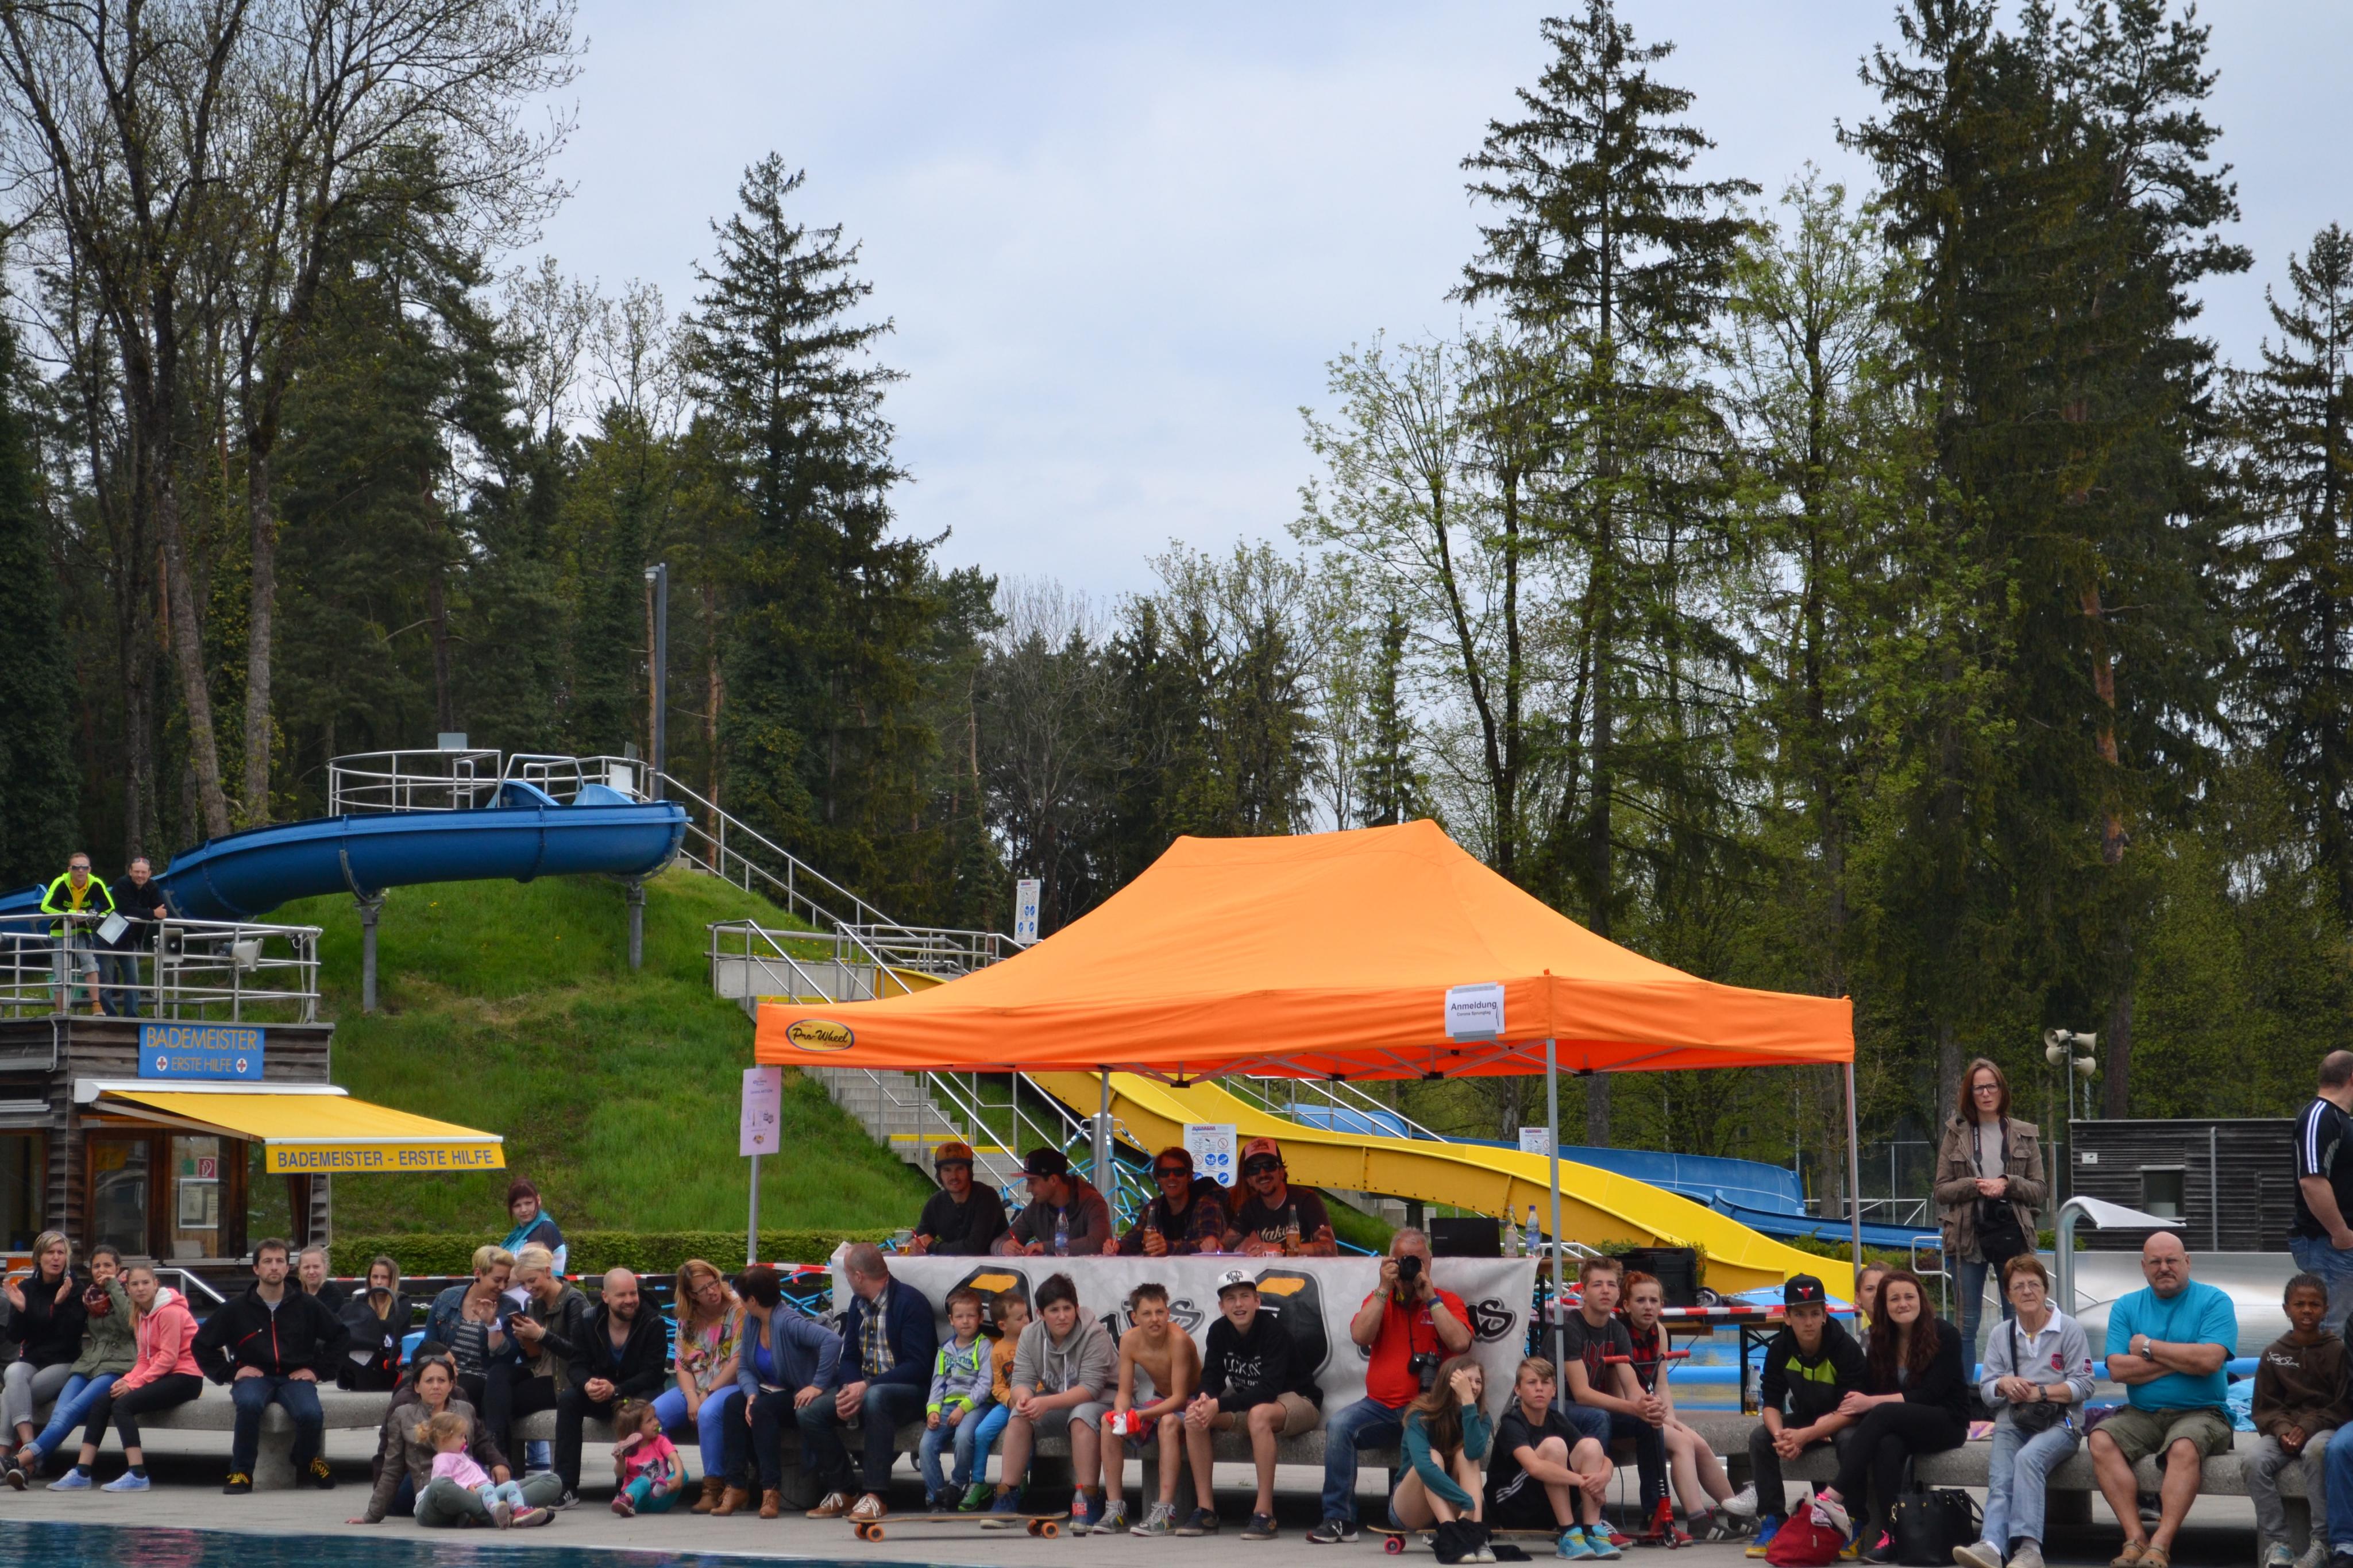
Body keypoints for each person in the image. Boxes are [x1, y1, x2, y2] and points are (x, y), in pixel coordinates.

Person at [1311, 1226, 1476, 1543]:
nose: (1410, 1268)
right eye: (1403, 1261)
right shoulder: (1381, 1299)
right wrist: (1384, 1288)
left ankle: (1429, 1518)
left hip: (1430, 1410)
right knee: (1340, 1426)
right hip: (1382, 1409)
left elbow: (1460, 1342)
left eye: (1417, 1261)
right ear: (1390, 1263)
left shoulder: (1447, 1300)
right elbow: (1360, 1336)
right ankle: (1338, 1519)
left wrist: (1430, 1298)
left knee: (1433, 1436)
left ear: (1429, 1263)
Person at [2088, 1233, 2236, 1568]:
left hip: (2204, 1413)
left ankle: (2161, 1544)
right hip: (2142, 1413)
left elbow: (2210, 1361)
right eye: (2155, 1262)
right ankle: (2135, 1538)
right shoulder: (2126, 1306)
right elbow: (2117, 1370)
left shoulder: (2215, 1301)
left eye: (2172, 1260)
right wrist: (2184, 1359)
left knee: (2183, 1446)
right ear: (2144, 1267)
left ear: (2188, 1262)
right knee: (2100, 1439)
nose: (2164, 1268)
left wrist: (2148, 1347)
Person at [1806, 1268, 1968, 1564]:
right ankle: (1893, 1537)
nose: (1903, 1304)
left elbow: (1929, 1394)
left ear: (1921, 1299)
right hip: (1902, 1424)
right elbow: (1868, 1391)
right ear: (1884, 1306)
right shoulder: (1881, 1341)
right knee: (1886, 1445)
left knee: (1881, 1412)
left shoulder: (1945, 1334)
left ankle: (1833, 1495)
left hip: (1946, 1421)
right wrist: (1830, 1419)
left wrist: (1871, 1403)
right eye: (1894, 1299)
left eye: (1909, 1297)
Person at [1951, 1255, 2096, 1568]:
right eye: (2018, 1287)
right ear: (2008, 1295)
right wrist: (2003, 1384)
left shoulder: (2069, 1329)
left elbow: (2085, 1385)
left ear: (2045, 1289)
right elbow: (1987, 1392)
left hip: (2062, 1421)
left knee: (2028, 1459)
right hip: (2014, 1418)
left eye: (2034, 1284)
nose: (2027, 1291)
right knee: (2001, 1473)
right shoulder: (2001, 1333)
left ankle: (2030, 1549)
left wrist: (2041, 1392)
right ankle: (1992, 1545)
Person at [193, 1235, 352, 1493]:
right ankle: (241, 1472)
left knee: (311, 1414)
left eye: (280, 1261)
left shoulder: (307, 1305)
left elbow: (341, 1336)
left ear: (288, 1268)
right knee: (249, 1405)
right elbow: (201, 1344)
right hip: (255, 1377)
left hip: (295, 1376)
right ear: (256, 1268)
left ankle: (307, 1458)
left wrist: (317, 1371)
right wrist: (230, 1372)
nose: (274, 1267)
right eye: (268, 1261)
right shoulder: (236, 1308)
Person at [1721, 1273, 1866, 1555]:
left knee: (1851, 1441)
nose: (1808, 1322)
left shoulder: (1845, 1348)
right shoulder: (1780, 1348)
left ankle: (1856, 1521)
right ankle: (1773, 1520)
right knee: (1760, 1438)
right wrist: (1781, 1437)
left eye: (1815, 1314)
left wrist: (1806, 1436)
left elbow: (1853, 1410)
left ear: (1825, 1315)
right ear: (1787, 1317)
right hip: (1807, 1417)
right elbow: (1771, 1403)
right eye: (1800, 1315)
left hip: (1843, 1419)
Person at [1179, 1266, 1324, 1540]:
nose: (1239, 1304)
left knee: (1258, 1414)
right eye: (1231, 1299)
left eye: (1245, 1296)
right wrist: (1205, 1398)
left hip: (1299, 1400)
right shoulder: (1218, 1331)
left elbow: (1268, 1390)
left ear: (1257, 1302)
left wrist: (1220, 1406)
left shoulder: (1273, 1331)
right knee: (1195, 1415)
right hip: (1254, 1404)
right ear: (1221, 1307)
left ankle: (1264, 1514)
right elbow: (1211, 1376)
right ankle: (1206, 1511)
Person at [802, 1241, 936, 1524]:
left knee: (877, 1397)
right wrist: (849, 1389)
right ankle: (843, 1490)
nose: (847, 1279)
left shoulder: (911, 1303)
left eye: (847, 1274)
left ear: (859, 1276)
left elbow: (919, 1366)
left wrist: (867, 1386)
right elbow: (850, 1356)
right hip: (866, 1388)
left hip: (909, 1393)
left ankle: (876, 1495)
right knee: (809, 1412)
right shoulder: (857, 1303)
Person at [350, 1352, 558, 1528]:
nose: (436, 1386)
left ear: (451, 1385)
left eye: (442, 1381)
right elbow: (392, 1468)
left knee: (552, 1481)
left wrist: (498, 1462)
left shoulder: (465, 1409)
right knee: (441, 1485)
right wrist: (372, 1515)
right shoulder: (403, 1415)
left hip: (476, 1490)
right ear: (417, 1387)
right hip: (435, 1498)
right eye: (429, 1381)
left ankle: (485, 1514)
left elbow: (482, 1441)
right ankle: (507, 1513)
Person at [1933, 1059, 2047, 1366]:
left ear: (2001, 1090)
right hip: (1967, 1237)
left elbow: (2040, 1190)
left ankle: (2020, 1385)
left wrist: (2007, 1184)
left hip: (2013, 1234)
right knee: (1966, 1325)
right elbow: (1941, 1191)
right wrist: (1976, 1186)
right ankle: (1964, 1392)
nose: (1986, 1093)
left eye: (1991, 1086)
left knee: (2019, 1318)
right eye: (1978, 1088)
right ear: (1969, 1093)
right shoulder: (1956, 1134)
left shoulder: (2024, 1134)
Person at [51, 1262, 202, 1493]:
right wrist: (127, 1380)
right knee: (102, 1401)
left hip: (185, 1377)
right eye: (135, 1284)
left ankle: (137, 1474)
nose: (141, 1288)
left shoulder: (170, 1311)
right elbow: (143, 1359)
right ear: (128, 1289)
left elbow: (169, 1359)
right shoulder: (140, 1314)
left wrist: (134, 1384)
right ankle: (81, 1472)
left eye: (145, 1283)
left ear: (156, 1284)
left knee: (123, 1405)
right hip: (162, 1374)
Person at [989, 1270, 1115, 1526]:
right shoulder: (1030, 1335)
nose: (1062, 1316)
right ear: (1040, 1314)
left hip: (1106, 1399)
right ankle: (1007, 1495)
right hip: (1059, 1399)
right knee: (1019, 1415)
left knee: (1081, 1416)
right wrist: (1024, 1398)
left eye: (1068, 1308)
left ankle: (1088, 1498)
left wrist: (1045, 1403)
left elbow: (1091, 1388)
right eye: (1054, 1310)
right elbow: (1021, 1380)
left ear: (1076, 1309)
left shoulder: (1095, 1334)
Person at [1621, 1269, 1737, 1540]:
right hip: (1627, 1413)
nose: (1648, 1307)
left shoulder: (1659, 1331)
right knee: (1683, 1443)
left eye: (1654, 1301)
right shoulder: (1620, 1333)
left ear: (1662, 1305)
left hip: (1652, 1411)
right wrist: (1663, 1421)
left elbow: (1662, 1383)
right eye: (1640, 1301)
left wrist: (1671, 1419)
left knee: (1699, 1443)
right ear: (1626, 1305)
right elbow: (1625, 1393)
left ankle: (1737, 1513)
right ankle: (1697, 1519)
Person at [723, 1263, 842, 1520]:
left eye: (741, 1297)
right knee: (733, 1405)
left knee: (762, 1410)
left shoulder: (788, 1321)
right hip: (768, 1391)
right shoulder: (753, 1322)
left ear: (752, 1300)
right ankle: (736, 1485)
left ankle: (771, 1489)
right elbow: (745, 1367)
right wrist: (751, 1393)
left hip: (796, 1393)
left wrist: (817, 1385)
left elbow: (832, 1341)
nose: (739, 1302)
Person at [1559, 1256, 1667, 1533]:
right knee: (1599, 1417)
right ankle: (1598, 1517)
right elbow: (1581, 1394)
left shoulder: (1617, 1330)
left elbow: (1632, 1388)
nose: (1605, 1290)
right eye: (1597, 1285)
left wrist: (1648, 1406)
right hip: (1555, 1408)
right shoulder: (1570, 1328)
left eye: (1611, 1285)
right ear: (1583, 1292)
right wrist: (1633, 1408)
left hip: (1588, 1409)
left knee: (1648, 1421)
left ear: (1619, 1293)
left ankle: (1655, 1513)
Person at [2244, 1275, 2344, 1568]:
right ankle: (2278, 1542)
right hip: (2283, 1431)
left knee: (2317, 1452)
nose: (2307, 1310)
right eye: (2299, 1304)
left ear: (2326, 1310)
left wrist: (2309, 1427)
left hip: (2324, 1428)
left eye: (2315, 1304)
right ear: (2286, 1309)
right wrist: (2283, 1430)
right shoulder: (2274, 1353)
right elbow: (2264, 1407)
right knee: (2254, 1460)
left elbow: (2343, 1405)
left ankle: (2322, 1542)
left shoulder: (2338, 1352)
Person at [9, 1243, 132, 1484]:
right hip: (88, 1365)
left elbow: (131, 1323)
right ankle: (31, 1467)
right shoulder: (90, 1296)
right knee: (58, 1413)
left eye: (108, 1265)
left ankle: (19, 1461)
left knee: (71, 1411)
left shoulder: (129, 1292)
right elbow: (58, 1329)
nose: (102, 1270)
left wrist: (114, 1287)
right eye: (97, 1266)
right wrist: (40, 1308)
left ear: (118, 1269)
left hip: (116, 1365)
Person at [1483, 1355, 1621, 1561]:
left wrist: (1602, 1478)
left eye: (1545, 1383)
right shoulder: (1512, 1423)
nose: (1539, 1388)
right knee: (1554, 1446)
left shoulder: (1556, 1419)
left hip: (1545, 1506)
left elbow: (1603, 1458)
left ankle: (1592, 1530)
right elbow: (1534, 1468)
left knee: (1591, 1446)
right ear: (1518, 1390)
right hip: (1512, 1506)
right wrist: (1585, 1482)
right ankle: (1568, 1533)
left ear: (1554, 1390)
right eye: (1532, 1383)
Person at [1094, 1280, 1200, 1535]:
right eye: (1147, 1314)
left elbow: (1179, 1398)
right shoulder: (1129, 1340)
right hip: (1160, 1400)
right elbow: (1123, 1392)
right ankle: (1115, 1509)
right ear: (1135, 1318)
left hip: (1192, 1400)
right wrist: (1122, 1414)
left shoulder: (1178, 1339)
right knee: (1109, 1422)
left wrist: (1140, 1415)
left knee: (1168, 1423)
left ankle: (1164, 1511)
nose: (1155, 1319)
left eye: (1160, 1312)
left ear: (1168, 1313)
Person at [554, 1268, 668, 1506]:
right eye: (622, 1295)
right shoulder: (588, 1321)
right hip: (601, 1394)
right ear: (605, 1297)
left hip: (635, 1393)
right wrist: (587, 1384)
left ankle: (626, 1487)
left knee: (639, 1407)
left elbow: (653, 1374)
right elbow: (576, 1365)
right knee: (569, 1400)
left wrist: (617, 1390)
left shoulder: (652, 1322)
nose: (630, 1300)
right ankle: (566, 1485)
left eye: (633, 1293)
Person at [650, 1258, 741, 1515]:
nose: (712, 1291)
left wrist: (708, 1393)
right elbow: (682, 1364)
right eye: (703, 1289)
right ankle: (663, 1478)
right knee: (652, 1415)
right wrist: (691, 1396)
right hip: (696, 1386)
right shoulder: (687, 1317)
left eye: (714, 1283)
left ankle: (713, 1487)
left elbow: (738, 1360)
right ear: (691, 1295)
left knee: (708, 1413)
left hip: (729, 1384)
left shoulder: (737, 1309)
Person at [484, 1245, 586, 1463]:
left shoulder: (574, 1301)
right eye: (522, 1283)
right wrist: (526, 1341)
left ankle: (499, 1458)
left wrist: (540, 1335)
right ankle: (499, 1455)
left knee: (501, 1402)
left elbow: (580, 1354)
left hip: (564, 1379)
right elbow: (534, 1356)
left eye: (532, 1280)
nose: (528, 1288)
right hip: (539, 1370)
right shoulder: (533, 1303)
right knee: (498, 1374)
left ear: (548, 1272)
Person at [0, 1231, 86, 1472]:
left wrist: (58, 1305)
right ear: (39, 1257)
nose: (56, 1258)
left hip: (63, 1363)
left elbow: (69, 1335)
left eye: (61, 1253)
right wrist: (20, 1311)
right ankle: (30, 1447)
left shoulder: (74, 1288)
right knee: (13, 1372)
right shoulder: (27, 1287)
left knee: (9, 1394)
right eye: (50, 1253)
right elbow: (14, 1336)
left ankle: (4, 1455)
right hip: (32, 1361)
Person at [1390, 1354, 1494, 1555]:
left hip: (1452, 1504)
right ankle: (1452, 1535)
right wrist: (1465, 1500)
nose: (1473, 1386)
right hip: (1412, 1505)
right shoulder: (1419, 1413)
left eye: (1478, 1382)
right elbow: (1424, 1468)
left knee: (1466, 1456)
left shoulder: (1481, 1416)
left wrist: (1468, 1405)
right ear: (1450, 1381)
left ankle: (1477, 1538)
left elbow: (1475, 1451)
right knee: (1433, 1457)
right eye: (1467, 1380)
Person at [2293, 1052, 2353, 1335]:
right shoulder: (2320, 1116)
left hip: (2338, 1246)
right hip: (2328, 1245)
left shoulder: (2340, 1119)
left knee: (2342, 1330)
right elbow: (2312, 1181)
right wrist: (2341, 1233)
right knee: (2330, 1330)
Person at [920, 1287, 994, 1513]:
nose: (965, 1321)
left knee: (963, 1437)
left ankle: (958, 1485)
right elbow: (938, 1382)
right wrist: (933, 1410)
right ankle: (936, 1496)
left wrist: (963, 1408)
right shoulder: (945, 1350)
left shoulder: (985, 1346)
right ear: (951, 1320)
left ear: (980, 1318)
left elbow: (985, 1384)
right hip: (947, 1406)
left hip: (976, 1406)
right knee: (926, 1445)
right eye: (960, 1317)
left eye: (971, 1316)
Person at [956, 1289, 1030, 1511]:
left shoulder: (1034, 1344)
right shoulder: (997, 1350)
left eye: (1027, 1315)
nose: (1027, 1321)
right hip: (1007, 1404)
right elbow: (997, 1386)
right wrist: (1010, 1401)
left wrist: (1028, 1399)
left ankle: (1021, 1477)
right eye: (1020, 1318)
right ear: (1003, 1325)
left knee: (1029, 1431)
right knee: (981, 1433)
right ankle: (979, 1481)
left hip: (1031, 1402)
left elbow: (1042, 1378)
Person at [424, 1245, 515, 1412]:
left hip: (480, 1376)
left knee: (457, 1392)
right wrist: (443, 1365)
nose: (503, 1286)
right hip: (443, 1371)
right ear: (478, 1274)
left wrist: (492, 1325)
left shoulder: (509, 1307)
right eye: (497, 1280)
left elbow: (507, 1360)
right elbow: (429, 1344)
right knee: (404, 1391)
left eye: (506, 1280)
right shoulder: (447, 1298)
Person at [420, 1407, 535, 1527]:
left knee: (511, 1484)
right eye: (461, 1436)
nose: (465, 1440)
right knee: (487, 1489)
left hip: (488, 1489)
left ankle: (519, 1510)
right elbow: (443, 1486)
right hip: (476, 1493)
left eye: (465, 1436)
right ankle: (496, 1514)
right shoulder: (442, 1460)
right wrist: (466, 1486)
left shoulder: (459, 1454)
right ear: (444, 1439)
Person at [1222, 1137, 1338, 1255]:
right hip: (1272, 1268)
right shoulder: (1250, 1207)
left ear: (1282, 1172)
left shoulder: (1307, 1200)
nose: (1262, 1174)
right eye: (1254, 1169)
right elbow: (1223, 1245)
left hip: (1304, 1267)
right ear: (1249, 1180)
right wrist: (1214, 1243)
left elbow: (1329, 1248)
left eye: (1269, 1166)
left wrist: (1280, 1249)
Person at [995, 1148, 1114, 1256]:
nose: (1028, 1189)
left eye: (1032, 1182)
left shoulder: (1093, 1202)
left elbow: (1098, 1243)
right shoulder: (1036, 1208)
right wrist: (1003, 1247)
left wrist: (1045, 1247)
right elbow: (1000, 1241)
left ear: (1053, 1180)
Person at [1114, 1147, 1229, 1256]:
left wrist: (1168, 1248)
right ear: (1158, 1178)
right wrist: (1117, 1247)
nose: (1172, 1177)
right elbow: (1132, 1241)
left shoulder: (1207, 1206)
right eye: (1164, 1173)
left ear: (1189, 1176)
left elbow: (1208, 1247)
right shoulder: (1153, 1207)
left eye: (1179, 1172)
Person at [38, 852, 113, 1015]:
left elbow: (110, 907)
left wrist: (90, 914)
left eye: (84, 867)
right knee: (59, 973)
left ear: (89, 869)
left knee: (90, 965)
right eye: (76, 867)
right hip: (60, 932)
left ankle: (96, 1005)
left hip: (82, 931)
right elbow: (45, 907)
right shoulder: (60, 882)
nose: (80, 871)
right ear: (69, 869)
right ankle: (61, 1012)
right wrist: (71, 914)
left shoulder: (96, 883)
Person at [908, 1142, 1010, 1256]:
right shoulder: (936, 1203)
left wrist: (932, 1247)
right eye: (947, 1170)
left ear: (969, 1171)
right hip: (954, 1266)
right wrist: (915, 1245)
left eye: (960, 1169)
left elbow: (974, 1247)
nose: (954, 1176)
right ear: (939, 1174)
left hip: (993, 1266)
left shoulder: (986, 1197)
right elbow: (919, 1238)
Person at [101, 856, 168, 1018]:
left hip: (130, 941)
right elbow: (125, 909)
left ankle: (131, 1016)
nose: (140, 876)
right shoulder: (121, 884)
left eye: (144, 872)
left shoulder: (153, 886)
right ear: (130, 872)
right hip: (108, 937)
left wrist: (150, 913)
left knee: (133, 979)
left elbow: (162, 911)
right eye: (137, 872)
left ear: (149, 873)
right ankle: (109, 1016)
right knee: (105, 980)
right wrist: (151, 913)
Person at [338, 1256, 411, 1393]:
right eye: (375, 1277)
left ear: (392, 1280)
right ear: (369, 1279)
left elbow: (391, 1326)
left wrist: (366, 1325)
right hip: (364, 1353)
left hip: (389, 1358)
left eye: (384, 1278)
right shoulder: (362, 1300)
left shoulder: (402, 1302)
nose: (378, 1282)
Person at [608, 1396, 685, 1517]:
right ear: (635, 1430)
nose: (656, 1422)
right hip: (639, 1501)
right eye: (650, 1421)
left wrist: (679, 1476)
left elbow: (674, 1458)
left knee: (683, 1473)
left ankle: (664, 1488)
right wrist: (620, 1462)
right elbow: (620, 1474)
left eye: (655, 1417)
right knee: (643, 1480)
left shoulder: (660, 1441)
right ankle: (626, 1500)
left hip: (661, 1499)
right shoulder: (629, 1449)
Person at [500, 1179, 568, 1275]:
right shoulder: (518, 1233)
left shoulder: (545, 1229)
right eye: (517, 1206)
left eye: (528, 1203)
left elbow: (525, 1273)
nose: (523, 1210)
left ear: (538, 1200)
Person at [294, 1246, 350, 1315]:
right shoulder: (296, 1294)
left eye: (316, 1267)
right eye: (306, 1267)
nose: (311, 1272)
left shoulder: (334, 1295)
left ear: (325, 1267)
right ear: (299, 1269)